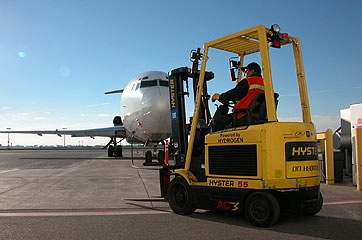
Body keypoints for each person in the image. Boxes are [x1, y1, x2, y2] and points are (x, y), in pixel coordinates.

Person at [210, 62, 264, 131]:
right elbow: (249, 96)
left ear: (252, 71)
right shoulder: (265, 83)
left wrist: (220, 97)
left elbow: (234, 93)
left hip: (243, 115)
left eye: (246, 71)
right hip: (259, 116)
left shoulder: (248, 82)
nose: (244, 74)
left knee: (216, 122)